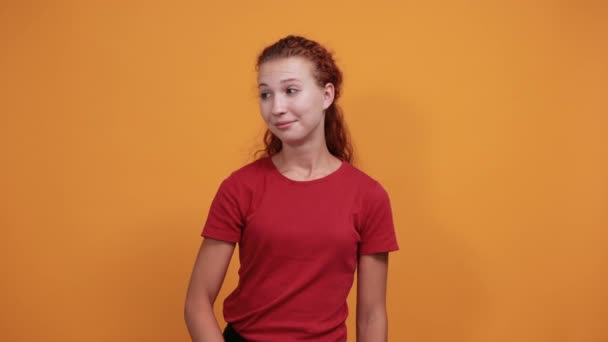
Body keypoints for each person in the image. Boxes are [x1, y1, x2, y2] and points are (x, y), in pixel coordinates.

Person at [184, 35, 399, 342]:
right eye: (265, 94)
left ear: (327, 95)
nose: (277, 107)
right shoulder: (240, 187)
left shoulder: (369, 196)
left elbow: (372, 315)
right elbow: (197, 302)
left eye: (290, 91)